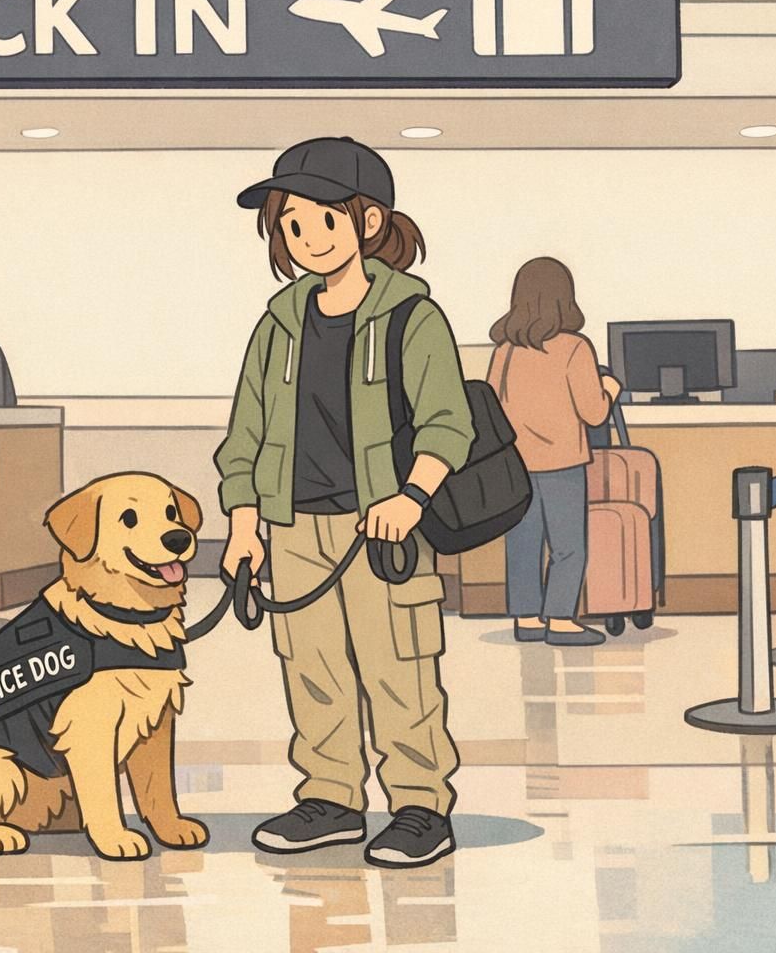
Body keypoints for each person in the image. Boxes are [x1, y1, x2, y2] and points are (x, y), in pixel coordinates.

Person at [216, 137, 473, 869]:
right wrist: (245, 525)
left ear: (367, 223)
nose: (304, 240)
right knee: (313, 668)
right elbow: (246, 432)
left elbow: (446, 422)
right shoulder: (279, 324)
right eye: (291, 226)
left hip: (379, 527)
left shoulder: (411, 317)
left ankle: (421, 806)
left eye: (321, 221)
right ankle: (330, 798)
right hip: (294, 527)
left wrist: (413, 495)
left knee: (399, 666)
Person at [485, 257, 622, 647]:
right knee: (567, 544)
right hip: (561, 463)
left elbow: (493, 407)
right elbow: (594, 411)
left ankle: (527, 619)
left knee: (523, 542)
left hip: (515, 466)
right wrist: (610, 387)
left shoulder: (505, 351)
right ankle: (561, 619)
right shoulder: (574, 348)